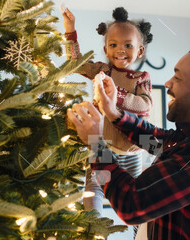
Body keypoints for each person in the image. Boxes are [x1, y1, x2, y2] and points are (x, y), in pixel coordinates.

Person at [67, 42, 190, 239]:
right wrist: (113, 112)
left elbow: (129, 206)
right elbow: (156, 142)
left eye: (177, 77)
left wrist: (95, 144)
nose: (168, 83)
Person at [62, 7, 154, 215]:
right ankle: (93, 227)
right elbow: (76, 64)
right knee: (96, 187)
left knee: (133, 195)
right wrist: (70, 31)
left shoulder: (141, 77)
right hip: (103, 146)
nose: (120, 50)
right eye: (113, 45)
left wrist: (116, 95)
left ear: (139, 50)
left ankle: (136, 235)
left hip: (131, 149)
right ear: (105, 50)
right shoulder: (102, 71)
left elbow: (145, 104)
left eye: (128, 45)